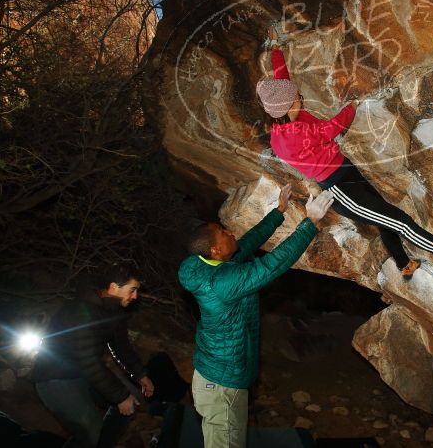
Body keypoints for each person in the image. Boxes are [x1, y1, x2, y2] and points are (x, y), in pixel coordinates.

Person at [256, 26, 433, 280]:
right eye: (297, 97)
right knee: (400, 221)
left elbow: (282, 77)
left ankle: (403, 264)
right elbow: (332, 128)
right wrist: (354, 104)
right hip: (340, 190)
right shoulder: (293, 133)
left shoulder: (284, 113)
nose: (300, 97)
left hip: (345, 171)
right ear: (288, 104)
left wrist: (275, 48)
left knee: (385, 215)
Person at [178, 186, 334, 448]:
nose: (229, 232)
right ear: (215, 251)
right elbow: (272, 265)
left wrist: (279, 211)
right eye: (223, 233)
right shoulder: (222, 283)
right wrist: (310, 222)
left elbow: (247, 242)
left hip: (218, 374)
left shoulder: (203, 262)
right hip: (221, 387)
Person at [30, 266, 154, 448]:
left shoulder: (115, 311)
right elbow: (89, 361)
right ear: (113, 288)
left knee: (132, 398)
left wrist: (140, 374)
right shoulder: (80, 312)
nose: (135, 296)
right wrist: (119, 397)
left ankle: (103, 441)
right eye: (132, 290)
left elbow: (121, 346)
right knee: (92, 431)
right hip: (54, 378)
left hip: (81, 372)